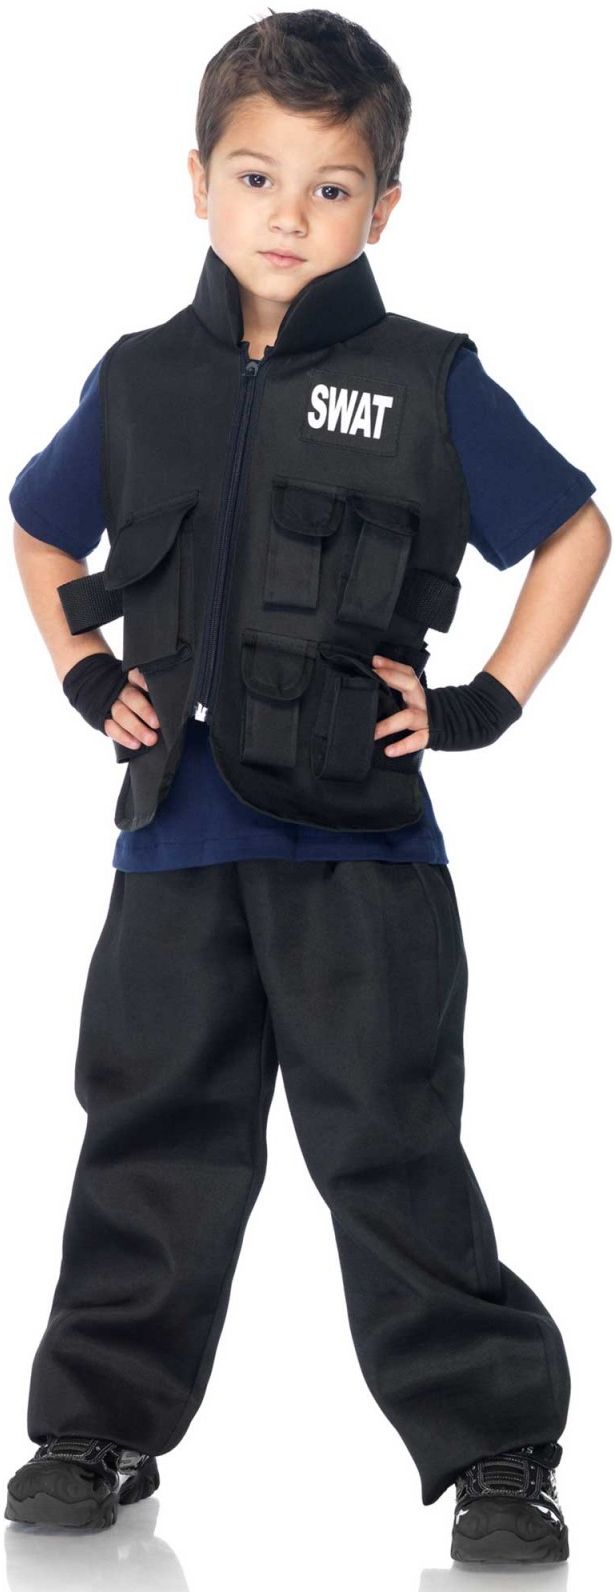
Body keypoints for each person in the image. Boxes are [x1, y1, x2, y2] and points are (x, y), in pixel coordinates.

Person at [5, 8, 608, 1562]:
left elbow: (571, 531)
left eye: (330, 187)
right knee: (150, 1132)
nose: (289, 215)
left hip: (362, 856)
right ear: (196, 181)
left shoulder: (424, 379)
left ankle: (496, 1454)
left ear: (381, 208)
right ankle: (95, 1428)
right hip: (175, 850)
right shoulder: (140, 379)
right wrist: (80, 669)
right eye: (257, 177)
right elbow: (41, 527)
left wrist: (482, 702)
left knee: (387, 1140)